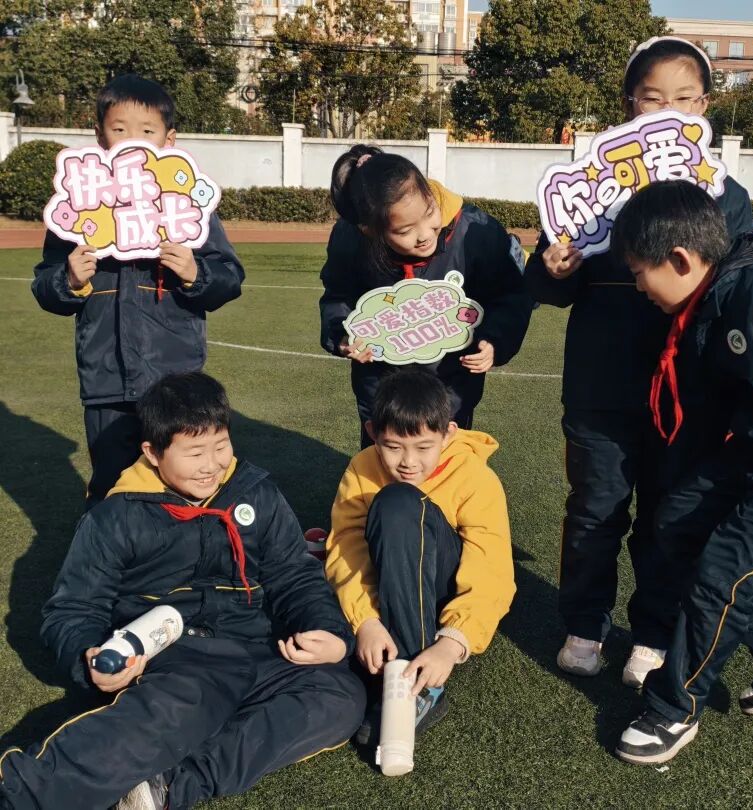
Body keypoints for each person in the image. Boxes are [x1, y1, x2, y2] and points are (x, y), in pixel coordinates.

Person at [0, 372, 365, 809]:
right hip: (177, 656)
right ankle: (23, 792)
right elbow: (73, 609)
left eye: (221, 446)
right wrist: (87, 658)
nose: (211, 464)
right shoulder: (116, 516)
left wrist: (327, 630)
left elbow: (295, 574)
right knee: (182, 705)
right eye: (194, 452)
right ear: (153, 453)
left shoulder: (257, 494)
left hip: (258, 647)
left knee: (339, 697)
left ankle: (171, 783)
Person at [525, 36, 753, 688]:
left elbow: (741, 285)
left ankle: (652, 633)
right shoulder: (590, 190)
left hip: (686, 392)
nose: (668, 109)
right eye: (653, 98)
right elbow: (546, 287)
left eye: (684, 98)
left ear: (704, 106)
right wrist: (553, 269)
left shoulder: (725, 195)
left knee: (669, 516)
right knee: (595, 510)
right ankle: (584, 624)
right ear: (630, 104)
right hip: (600, 385)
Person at [609, 180, 753, 765]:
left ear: (679, 259)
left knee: (723, 574)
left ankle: (674, 708)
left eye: (638, 273)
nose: (637, 288)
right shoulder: (707, 299)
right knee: (674, 524)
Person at [31, 74, 245, 509]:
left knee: (182, 480)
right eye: (119, 129)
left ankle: (185, 549)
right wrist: (68, 280)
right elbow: (45, 285)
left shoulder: (185, 204)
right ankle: (108, 548)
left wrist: (195, 273)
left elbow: (229, 277)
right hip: (106, 380)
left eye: (147, 131)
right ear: (99, 135)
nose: (132, 140)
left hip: (174, 378)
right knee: (113, 483)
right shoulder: (78, 208)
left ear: (169, 139)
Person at [324, 370, 515, 744]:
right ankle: (397, 669)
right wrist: (364, 621)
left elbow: (491, 568)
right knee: (394, 502)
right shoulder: (362, 467)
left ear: (449, 434)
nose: (408, 462)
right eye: (393, 447)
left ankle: (417, 686)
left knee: (399, 501)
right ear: (372, 432)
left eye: (424, 447)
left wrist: (454, 642)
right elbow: (347, 547)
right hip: (389, 583)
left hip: (442, 590)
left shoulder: (475, 476)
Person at [319, 144, 533, 448]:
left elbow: (510, 293)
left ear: (429, 193)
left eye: (429, 213)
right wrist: (342, 335)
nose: (424, 234)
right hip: (381, 389)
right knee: (384, 468)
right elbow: (338, 294)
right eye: (404, 230)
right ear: (370, 231)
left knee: (449, 469)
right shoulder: (351, 239)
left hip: (451, 387)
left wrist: (495, 340)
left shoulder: (476, 233)